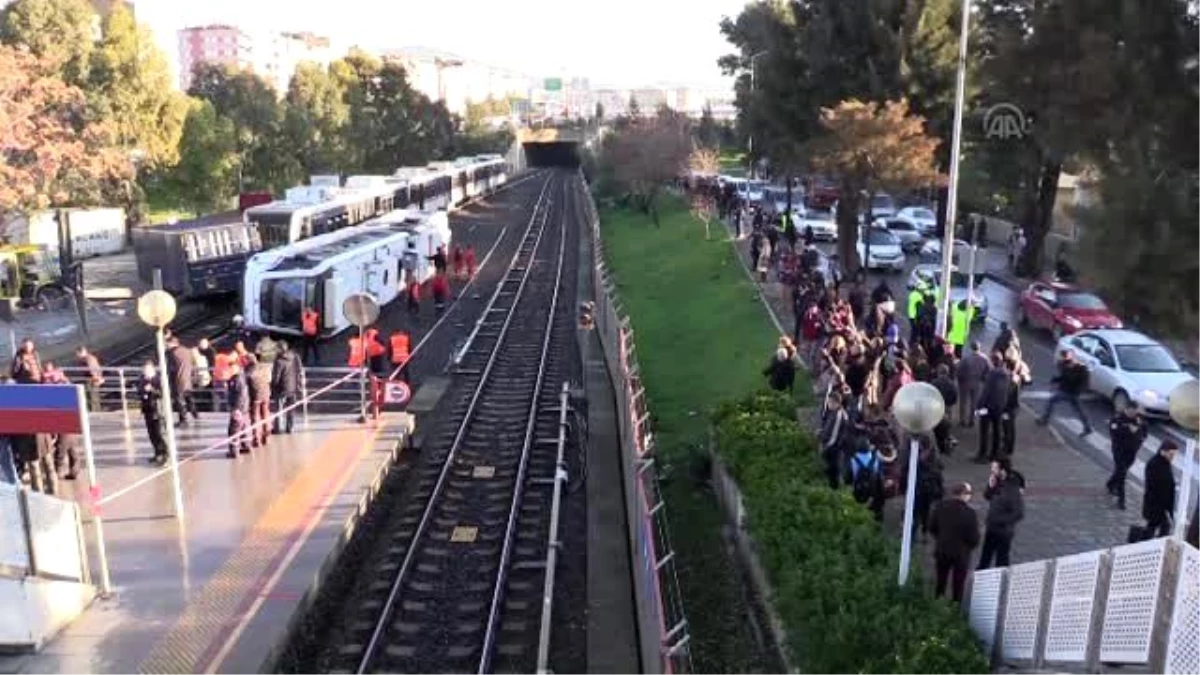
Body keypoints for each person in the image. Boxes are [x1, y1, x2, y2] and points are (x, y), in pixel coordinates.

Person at [929, 482, 981, 603]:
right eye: (969, 493)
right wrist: (968, 546)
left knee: (941, 580)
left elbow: (931, 527)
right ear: (963, 495)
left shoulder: (940, 506)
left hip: (942, 550)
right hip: (961, 554)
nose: (970, 496)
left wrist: (941, 537)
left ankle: (937, 603)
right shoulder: (970, 514)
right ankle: (955, 609)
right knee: (958, 585)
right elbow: (974, 539)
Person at [977, 459, 1025, 569]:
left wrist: (1000, 520)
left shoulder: (1012, 489)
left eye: (994, 468)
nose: (991, 470)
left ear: (1002, 470)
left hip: (1004, 532)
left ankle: (1001, 581)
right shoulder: (996, 480)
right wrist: (990, 486)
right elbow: (988, 497)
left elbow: (1019, 513)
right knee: (985, 557)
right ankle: (982, 576)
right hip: (992, 528)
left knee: (1001, 560)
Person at [1036, 349, 1092, 436]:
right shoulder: (1065, 365)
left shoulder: (1080, 368)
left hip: (1071, 392)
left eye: (1063, 357)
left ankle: (1044, 419)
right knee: (1079, 410)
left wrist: (1077, 391)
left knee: (1052, 400)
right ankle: (1087, 427)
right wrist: (1056, 379)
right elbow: (1064, 377)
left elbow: (1079, 380)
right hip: (1067, 390)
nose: (1061, 359)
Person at [1107, 401, 1146, 511]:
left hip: (1132, 452)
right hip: (1119, 451)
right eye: (1132, 412)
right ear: (1127, 409)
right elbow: (1114, 433)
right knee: (1122, 473)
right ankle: (1121, 500)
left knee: (1120, 471)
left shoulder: (1139, 420)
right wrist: (1128, 429)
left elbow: (1143, 435)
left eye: (1135, 412)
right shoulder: (1117, 418)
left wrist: (1137, 430)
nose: (1134, 414)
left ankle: (1110, 484)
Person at [975, 353, 1010, 463]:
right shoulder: (1007, 374)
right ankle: (995, 454)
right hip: (1000, 406)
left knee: (984, 430)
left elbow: (986, 391)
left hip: (988, 406)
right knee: (997, 431)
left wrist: (979, 405)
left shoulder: (992, 374)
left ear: (993, 361)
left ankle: (982, 454)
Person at [1143, 440, 1178, 538]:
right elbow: (1154, 484)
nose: (1172, 457)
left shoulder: (1165, 463)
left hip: (1161, 505)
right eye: (1171, 454)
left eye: (1174, 455)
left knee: (1155, 527)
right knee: (1160, 527)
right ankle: (1146, 543)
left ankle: (1146, 543)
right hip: (1155, 504)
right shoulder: (1154, 464)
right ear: (1163, 451)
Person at [137, 361, 168, 465]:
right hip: (147, 409)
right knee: (151, 434)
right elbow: (139, 392)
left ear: (152, 370)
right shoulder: (142, 380)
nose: (145, 372)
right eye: (144, 370)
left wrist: (152, 390)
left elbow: (163, 394)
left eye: (147, 370)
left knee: (159, 433)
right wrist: (143, 390)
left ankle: (164, 453)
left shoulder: (158, 379)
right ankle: (157, 453)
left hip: (157, 409)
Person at [271, 341, 303, 435]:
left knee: (279, 409)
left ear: (280, 349)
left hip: (282, 388)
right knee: (290, 409)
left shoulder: (279, 361)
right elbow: (299, 370)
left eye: (276, 348)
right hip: (293, 387)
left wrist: (273, 386)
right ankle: (290, 427)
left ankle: (277, 428)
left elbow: (276, 377)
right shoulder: (294, 357)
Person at [849, 440, 885, 522]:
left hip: (857, 494)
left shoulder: (852, 460)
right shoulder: (876, 459)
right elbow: (880, 479)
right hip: (874, 495)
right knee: (876, 517)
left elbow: (848, 478)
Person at [819, 392, 849, 490]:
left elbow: (834, 435)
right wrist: (822, 432)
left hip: (833, 447)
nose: (828, 404)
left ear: (837, 403)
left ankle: (834, 489)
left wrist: (826, 447)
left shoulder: (839, 415)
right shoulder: (834, 413)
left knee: (833, 469)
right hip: (831, 445)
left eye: (830, 402)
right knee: (829, 468)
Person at [166, 336, 199, 427]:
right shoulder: (188, 351)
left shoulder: (172, 353)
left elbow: (171, 368)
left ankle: (183, 419)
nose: (166, 346)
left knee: (179, 400)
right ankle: (195, 414)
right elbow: (193, 363)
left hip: (178, 379)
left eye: (167, 344)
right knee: (188, 397)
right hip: (187, 378)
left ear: (172, 343)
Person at [956, 342, 989, 427]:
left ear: (971, 348)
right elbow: (988, 371)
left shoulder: (966, 359)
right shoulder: (984, 359)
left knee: (963, 402)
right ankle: (972, 420)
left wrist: (960, 380)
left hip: (965, 382)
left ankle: (962, 420)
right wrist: (982, 378)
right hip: (977, 382)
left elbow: (959, 370)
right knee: (974, 403)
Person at [225, 359, 252, 458]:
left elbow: (240, 395)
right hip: (244, 407)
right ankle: (246, 446)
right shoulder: (241, 377)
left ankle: (234, 451)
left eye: (232, 368)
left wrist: (236, 409)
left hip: (239, 407)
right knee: (244, 427)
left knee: (233, 429)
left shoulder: (237, 380)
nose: (230, 370)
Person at [930, 364, 958, 455]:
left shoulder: (934, 382)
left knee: (936, 425)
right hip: (947, 406)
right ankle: (947, 443)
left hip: (936, 406)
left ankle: (937, 444)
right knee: (947, 426)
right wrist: (950, 404)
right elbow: (954, 395)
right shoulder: (951, 383)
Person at [247, 355, 272, 448]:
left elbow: (246, 383)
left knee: (255, 417)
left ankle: (256, 439)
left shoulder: (249, 370)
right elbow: (269, 379)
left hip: (255, 396)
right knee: (265, 414)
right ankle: (266, 437)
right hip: (266, 394)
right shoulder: (265, 368)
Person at [74, 346, 105, 412]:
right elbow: (98, 368)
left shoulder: (88, 359)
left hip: (91, 380)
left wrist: (96, 378)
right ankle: (97, 412)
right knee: (95, 397)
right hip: (93, 379)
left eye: (78, 353)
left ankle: (94, 413)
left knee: (92, 397)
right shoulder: (90, 358)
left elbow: (92, 370)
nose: (77, 355)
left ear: (82, 352)